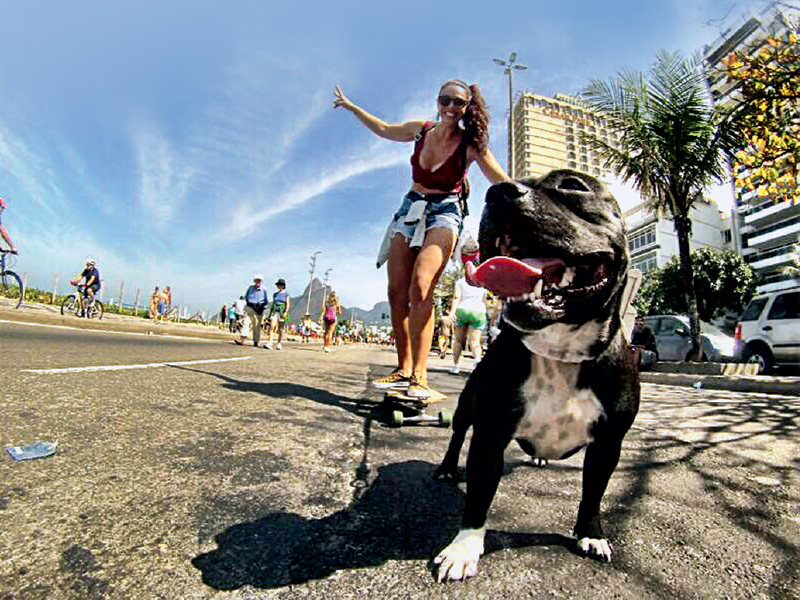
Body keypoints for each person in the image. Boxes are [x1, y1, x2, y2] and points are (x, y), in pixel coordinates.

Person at [334, 79, 508, 399]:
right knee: (396, 291)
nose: (451, 108)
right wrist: (353, 107)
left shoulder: (471, 145)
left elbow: (500, 179)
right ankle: (403, 368)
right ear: (437, 102)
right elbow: (385, 128)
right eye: (446, 101)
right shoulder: (421, 130)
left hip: (445, 212)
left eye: (459, 103)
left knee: (422, 284)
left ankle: (420, 374)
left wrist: (535, 196)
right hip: (410, 208)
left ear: (467, 108)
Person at [448, 240, 488, 375]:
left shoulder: (460, 282)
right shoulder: (483, 282)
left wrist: (452, 312)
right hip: (479, 312)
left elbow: (456, 298)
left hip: (463, 310)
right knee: (475, 341)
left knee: (458, 340)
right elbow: (484, 301)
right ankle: (477, 362)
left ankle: (455, 366)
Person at [236, 275, 270, 347]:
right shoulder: (250, 288)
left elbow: (266, 301)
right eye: (257, 280)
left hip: (259, 309)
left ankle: (256, 341)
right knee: (245, 322)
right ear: (254, 281)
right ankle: (243, 338)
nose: (258, 282)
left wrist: (262, 308)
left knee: (256, 326)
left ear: (261, 281)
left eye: (259, 280)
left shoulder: (264, 290)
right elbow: (246, 297)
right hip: (250, 307)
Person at [264, 278, 291, 350]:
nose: (279, 286)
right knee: (272, 326)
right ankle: (270, 342)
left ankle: (279, 343)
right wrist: (270, 313)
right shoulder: (275, 294)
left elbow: (288, 304)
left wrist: (286, 312)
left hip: (281, 311)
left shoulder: (286, 294)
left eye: (281, 285)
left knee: (280, 328)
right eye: (278, 285)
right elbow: (273, 303)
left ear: (283, 286)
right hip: (275, 311)